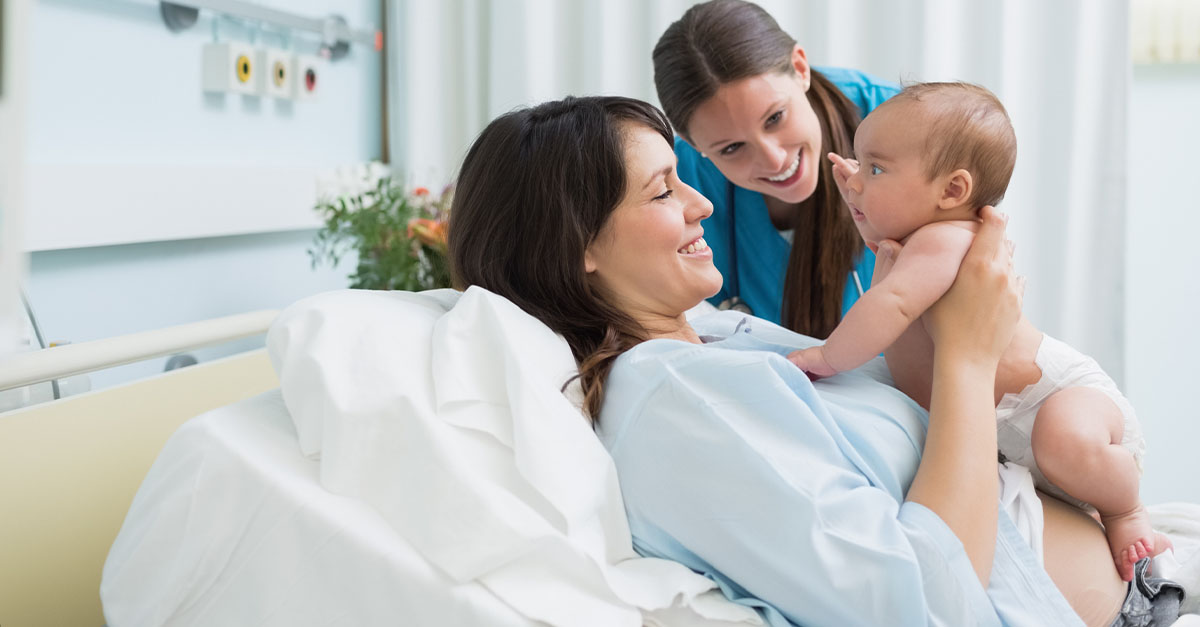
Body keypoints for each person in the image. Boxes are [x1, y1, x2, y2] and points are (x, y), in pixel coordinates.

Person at [448, 96, 1183, 626]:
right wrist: (968, 354)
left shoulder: (716, 337)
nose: (704, 204)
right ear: (578, 245)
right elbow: (924, 607)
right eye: (664, 190)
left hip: (1142, 581)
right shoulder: (676, 400)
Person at [785, 82, 1169, 582]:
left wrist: (827, 358)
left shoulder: (945, 240)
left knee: (1065, 441)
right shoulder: (913, 243)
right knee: (1054, 460)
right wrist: (864, 195)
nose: (856, 181)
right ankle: (1095, 505)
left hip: (1058, 395)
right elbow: (886, 258)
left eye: (875, 168)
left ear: (952, 192)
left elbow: (891, 304)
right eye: (857, 164)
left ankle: (1127, 512)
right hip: (1014, 434)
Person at [651, 0, 899, 339]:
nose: (774, 160)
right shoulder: (677, 185)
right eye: (732, 148)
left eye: (775, 118)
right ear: (694, 144)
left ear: (800, 69)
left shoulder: (900, 124)